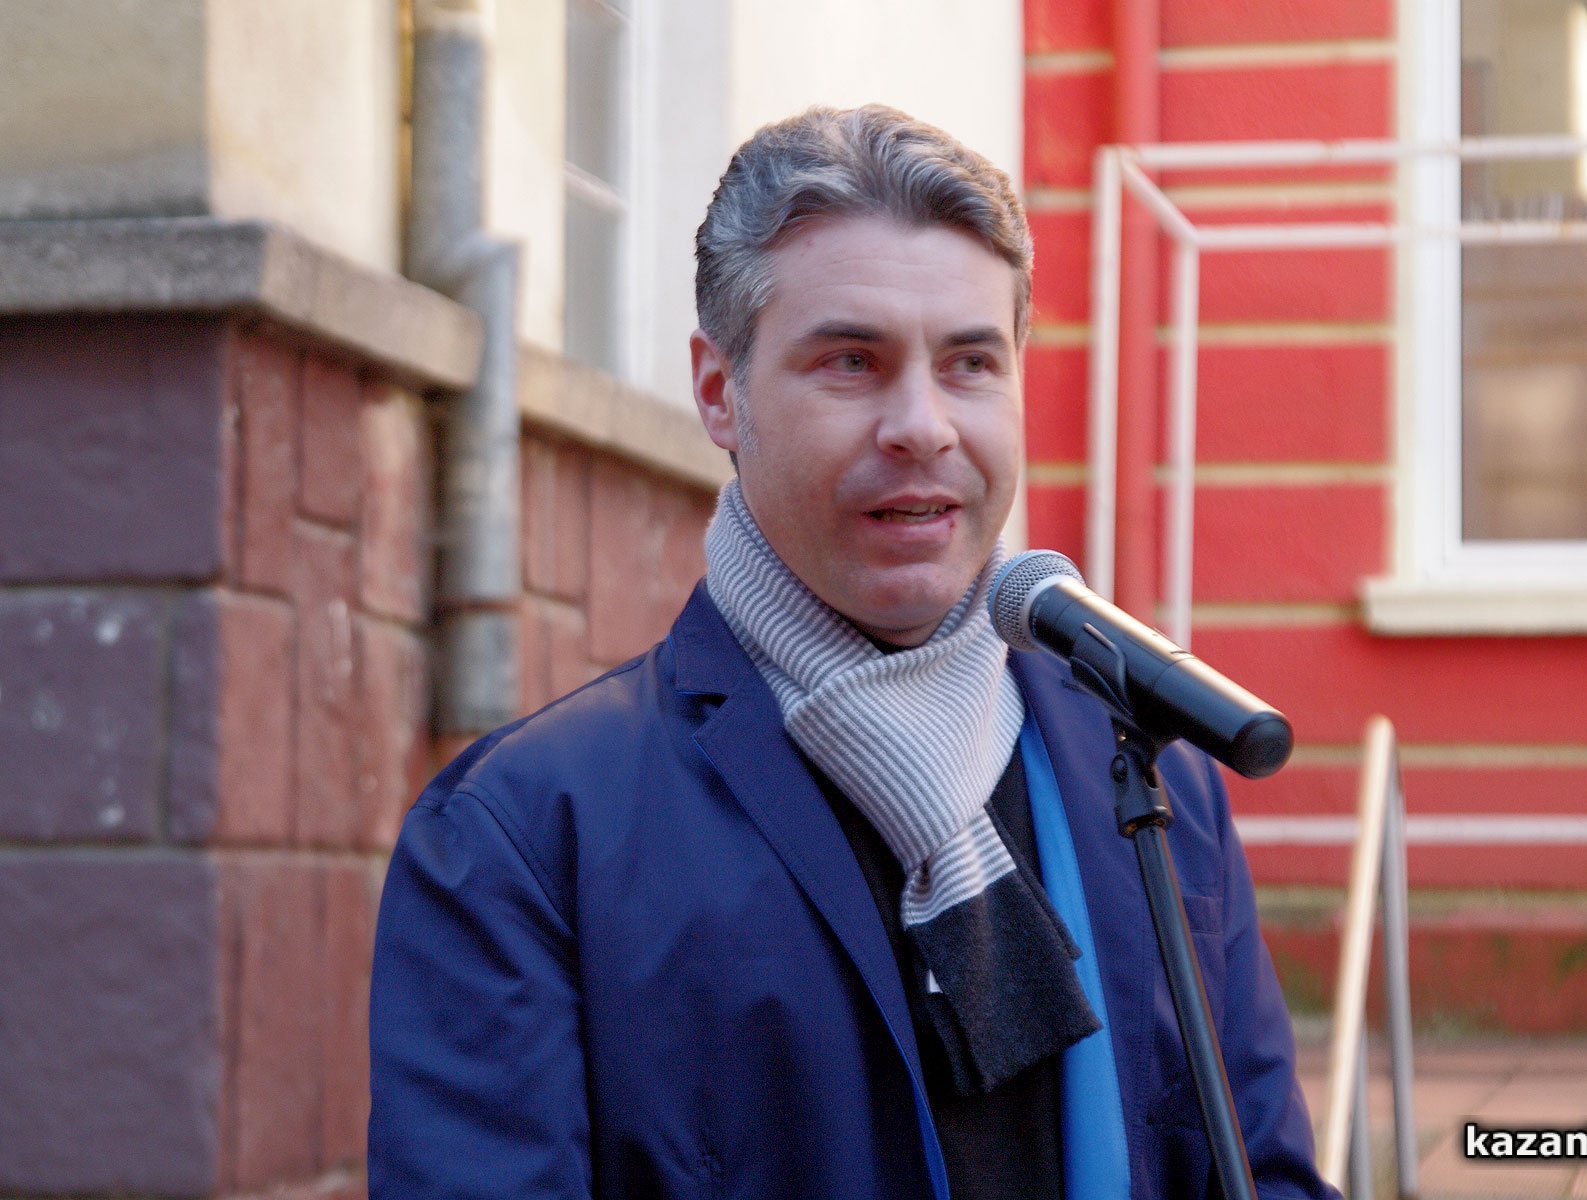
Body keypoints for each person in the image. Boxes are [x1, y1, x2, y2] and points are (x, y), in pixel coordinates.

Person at [369, 104, 1336, 1200]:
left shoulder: (1154, 784)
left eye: (970, 363)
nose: (923, 424)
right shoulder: (527, 836)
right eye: (851, 362)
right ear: (719, 392)